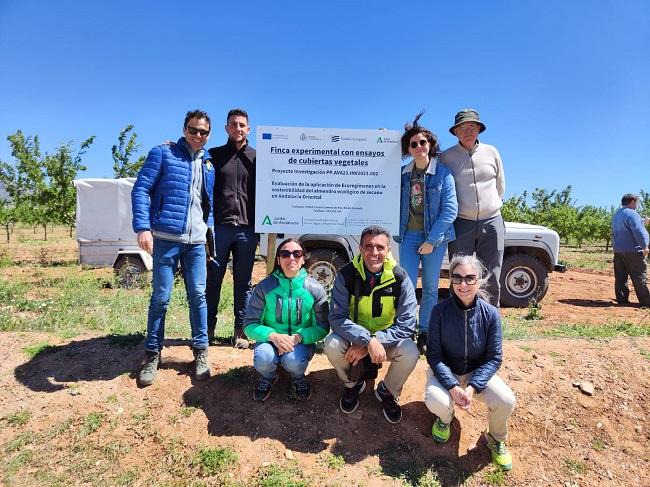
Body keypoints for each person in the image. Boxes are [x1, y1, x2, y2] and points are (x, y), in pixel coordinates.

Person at [131, 109, 215, 386]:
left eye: (203, 132)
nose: (198, 135)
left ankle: (200, 351)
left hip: (196, 242)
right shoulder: (163, 153)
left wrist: (208, 233)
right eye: (193, 130)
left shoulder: (208, 162)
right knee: (161, 298)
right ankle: (153, 353)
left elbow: (206, 202)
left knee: (198, 296)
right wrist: (143, 227)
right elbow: (141, 189)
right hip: (166, 238)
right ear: (184, 129)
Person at [425, 254, 516, 471]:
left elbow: (494, 357)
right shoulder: (439, 312)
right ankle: (445, 420)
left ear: (479, 280)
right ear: (451, 281)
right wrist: (453, 386)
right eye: (457, 278)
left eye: (469, 278)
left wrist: (473, 386)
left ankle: (495, 438)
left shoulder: (491, 314)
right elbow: (434, 356)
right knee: (436, 400)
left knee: (506, 400)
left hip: (476, 374)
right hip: (446, 371)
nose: (463, 284)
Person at [325, 225, 419, 424]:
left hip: (386, 340)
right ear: (360, 248)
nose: (374, 252)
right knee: (332, 344)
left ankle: (387, 391)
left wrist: (375, 342)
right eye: (368, 246)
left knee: (410, 350)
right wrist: (366, 340)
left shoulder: (400, 277)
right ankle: (352, 385)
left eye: (380, 247)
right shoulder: (346, 274)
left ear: (388, 250)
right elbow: (337, 317)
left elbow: (407, 323)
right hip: (354, 340)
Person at [395, 112, 457, 354]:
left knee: (430, 287)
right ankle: (407, 329)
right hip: (408, 236)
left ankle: (425, 330)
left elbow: (450, 210)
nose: (419, 146)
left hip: (435, 238)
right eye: (413, 144)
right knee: (407, 285)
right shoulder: (402, 175)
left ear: (430, 145)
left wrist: (432, 240)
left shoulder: (443, 173)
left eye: (423, 142)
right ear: (408, 149)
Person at [243, 238, 329, 401]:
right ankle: (268, 377)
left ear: (303, 259)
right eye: (285, 254)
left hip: (300, 343)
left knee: (294, 361)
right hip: (269, 341)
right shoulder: (264, 287)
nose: (291, 258)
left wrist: (299, 337)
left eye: (297, 254)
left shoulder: (315, 289)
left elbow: (323, 327)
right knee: (263, 358)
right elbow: (249, 324)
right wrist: (273, 336)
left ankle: (298, 379)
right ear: (278, 259)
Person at [439, 109, 505, 306]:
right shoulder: (446, 157)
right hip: (461, 222)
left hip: (492, 221)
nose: (468, 130)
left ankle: (490, 321)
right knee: (459, 274)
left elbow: (500, 186)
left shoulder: (492, 152)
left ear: (479, 130)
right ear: (456, 131)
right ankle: (457, 321)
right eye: (463, 127)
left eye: (472, 126)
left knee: (492, 275)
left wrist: (490, 207)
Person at [206, 108, 257, 348]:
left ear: (248, 129)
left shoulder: (258, 158)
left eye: (242, 125)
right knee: (213, 279)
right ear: (226, 128)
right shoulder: (213, 156)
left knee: (243, 283)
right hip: (220, 229)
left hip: (247, 230)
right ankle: (207, 329)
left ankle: (241, 331)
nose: (238, 128)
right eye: (233, 124)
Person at [611, 193, 650, 306]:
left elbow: (628, 225)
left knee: (620, 277)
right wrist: (645, 246)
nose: (637, 205)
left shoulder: (617, 215)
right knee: (639, 277)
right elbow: (638, 231)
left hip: (619, 251)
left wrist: (643, 221)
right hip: (633, 251)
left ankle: (622, 300)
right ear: (632, 201)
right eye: (637, 202)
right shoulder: (632, 214)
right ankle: (646, 302)